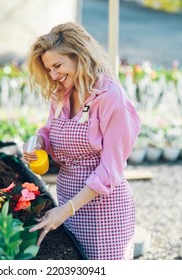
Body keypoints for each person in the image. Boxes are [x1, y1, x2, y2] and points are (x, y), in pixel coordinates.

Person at [23, 22, 141, 260]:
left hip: (103, 214)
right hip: (67, 202)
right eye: (49, 69)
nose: (53, 75)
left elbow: (110, 170)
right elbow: (49, 130)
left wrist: (65, 211)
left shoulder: (111, 98)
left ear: (79, 57)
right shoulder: (62, 93)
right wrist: (39, 142)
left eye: (58, 65)